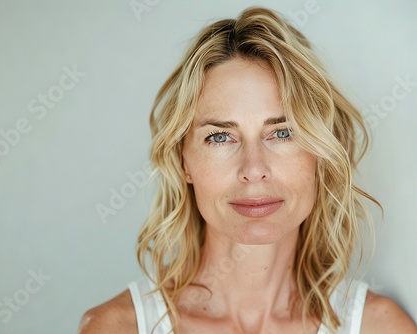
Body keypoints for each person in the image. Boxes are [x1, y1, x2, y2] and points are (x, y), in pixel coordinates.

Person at [78, 6, 417, 334]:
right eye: (220, 137)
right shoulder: (116, 328)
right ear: (184, 161)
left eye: (283, 132)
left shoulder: (381, 327)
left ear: (322, 152)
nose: (254, 169)